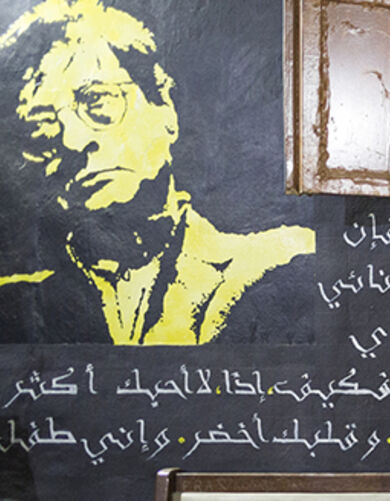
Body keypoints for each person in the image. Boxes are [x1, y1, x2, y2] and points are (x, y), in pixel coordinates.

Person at [0, 0, 314, 344]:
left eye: (98, 101)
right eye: (43, 125)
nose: (73, 141)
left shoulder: (283, 262)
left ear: (165, 107)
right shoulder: (14, 306)